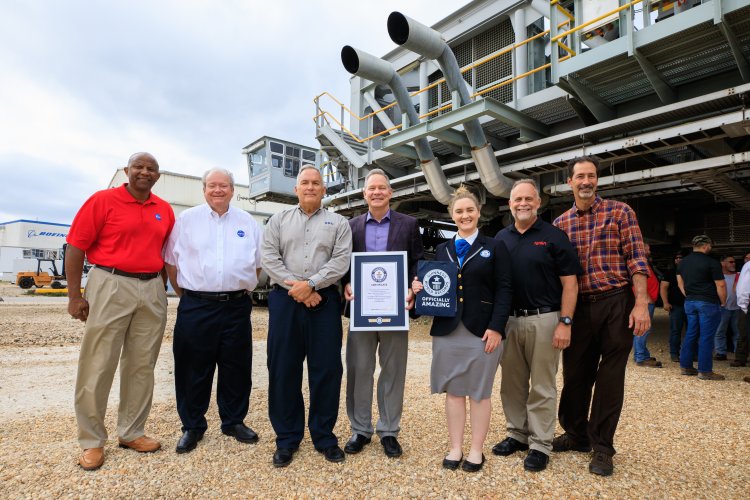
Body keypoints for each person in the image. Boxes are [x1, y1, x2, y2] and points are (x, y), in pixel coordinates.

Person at [65, 152, 175, 471]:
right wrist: (75, 296)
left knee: (142, 364)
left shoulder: (164, 210)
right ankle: (91, 441)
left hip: (152, 286)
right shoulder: (102, 201)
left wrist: (165, 291)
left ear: (158, 175)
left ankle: (131, 432)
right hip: (110, 281)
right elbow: (76, 246)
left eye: (150, 168)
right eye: (138, 167)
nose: (144, 172)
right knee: (98, 363)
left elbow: (166, 253)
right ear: (127, 171)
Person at [552, 156, 650, 477]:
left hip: (615, 302)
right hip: (578, 307)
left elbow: (636, 259)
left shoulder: (620, 212)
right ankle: (576, 434)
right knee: (575, 375)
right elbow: (554, 273)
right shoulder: (561, 224)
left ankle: (603, 447)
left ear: (597, 180)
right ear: (570, 182)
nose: (586, 181)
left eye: (591, 176)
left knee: (610, 378)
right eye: (580, 176)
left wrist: (640, 303)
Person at [412, 186, 512, 473]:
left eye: (470, 210)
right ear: (452, 215)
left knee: (479, 392)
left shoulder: (495, 246)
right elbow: (436, 286)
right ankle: (455, 447)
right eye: (459, 211)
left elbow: (505, 289)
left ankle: (476, 451)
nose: (465, 215)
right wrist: (419, 288)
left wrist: (497, 327)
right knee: (454, 392)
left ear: (479, 212)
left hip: (482, 330)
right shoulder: (442, 249)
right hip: (447, 330)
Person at [163, 168, 263, 454]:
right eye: (212, 185)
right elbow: (171, 261)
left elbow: (257, 264)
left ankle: (233, 421)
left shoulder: (247, 222)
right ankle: (192, 426)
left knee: (236, 366)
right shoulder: (187, 220)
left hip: (236, 306)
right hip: (197, 305)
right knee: (193, 367)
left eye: (223, 185)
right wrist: (187, 294)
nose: (218, 190)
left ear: (232, 190)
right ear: (204, 189)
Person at [262, 165, 352, 468]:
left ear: (324, 190)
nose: (310, 187)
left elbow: (341, 261)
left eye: (316, 183)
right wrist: (299, 288)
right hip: (285, 301)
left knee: (326, 370)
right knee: (283, 370)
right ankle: (287, 439)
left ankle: (324, 437)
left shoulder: (339, 222)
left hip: (324, 302)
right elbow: (269, 258)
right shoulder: (277, 220)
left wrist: (312, 285)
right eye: (305, 183)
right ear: (296, 189)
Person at [493, 179, 581, 472]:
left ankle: (540, 444)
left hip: (545, 319)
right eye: (517, 199)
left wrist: (565, 322)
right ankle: (516, 434)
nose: (523, 204)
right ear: (509, 204)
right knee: (512, 384)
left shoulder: (555, 237)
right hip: (509, 321)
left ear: (538, 203)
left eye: (528, 199)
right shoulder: (500, 238)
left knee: (542, 385)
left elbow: (570, 284)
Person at [342, 169, 424, 459]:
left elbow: (417, 262)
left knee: (393, 371)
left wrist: (414, 289)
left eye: (382, 188)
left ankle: (389, 430)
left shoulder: (409, 224)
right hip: (362, 312)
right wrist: (346, 285)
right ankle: (360, 429)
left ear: (390, 193)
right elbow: (342, 266)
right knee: (359, 370)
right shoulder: (350, 226)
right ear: (364, 194)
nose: (376, 192)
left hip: (395, 311)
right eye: (371, 188)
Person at [677, 235, 726, 380]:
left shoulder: (683, 262)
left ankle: (685, 367)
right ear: (705, 246)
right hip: (708, 302)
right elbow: (721, 284)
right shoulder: (712, 262)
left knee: (691, 333)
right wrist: (723, 301)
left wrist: (689, 295)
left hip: (690, 302)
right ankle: (705, 371)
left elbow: (680, 282)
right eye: (710, 245)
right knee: (706, 336)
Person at [632, 244, 663, 367]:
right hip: (646, 301)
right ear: (641, 248)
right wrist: (647, 298)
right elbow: (634, 283)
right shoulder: (639, 264)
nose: (649, 250)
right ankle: (641, 357)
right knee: (643, 328)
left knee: (641, 328)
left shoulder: (643, 263)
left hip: (647, 300)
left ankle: (641, 354)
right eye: (647, 248)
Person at [660, 251, 688, 362]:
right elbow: (663, 287)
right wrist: (665, 302)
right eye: (676, 258)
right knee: (675, 331)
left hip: (690, 305)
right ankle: (674, 353)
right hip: (676, 306)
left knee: (692, 330)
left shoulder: (690, 271)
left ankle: (691, 353)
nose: (678, 259)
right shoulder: (670, 272)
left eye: (681, 257)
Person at [713, 255, 740, 360]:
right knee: (720, 331)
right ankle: (720, 353)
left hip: (738, 308)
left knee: (738, 332)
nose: (734, 264)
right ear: (722, 263)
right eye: (731, 262)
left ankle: (738, 353)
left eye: (734, 262)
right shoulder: (718, 277)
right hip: (722, 307)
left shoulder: (739, 275)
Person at [731, 251, 750, 367]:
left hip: (747, 304)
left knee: (743, 331)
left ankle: (740, 358)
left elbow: (743, 287)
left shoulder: (747, 266)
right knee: (743, 331)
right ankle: (740, 357)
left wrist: (743, 305)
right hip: (748, 303)